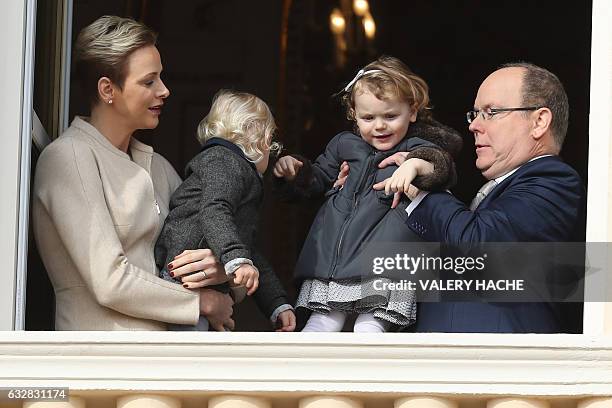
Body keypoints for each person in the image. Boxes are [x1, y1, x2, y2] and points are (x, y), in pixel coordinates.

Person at [32, 15, 234, 331]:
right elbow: (109, 280)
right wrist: (200, 302)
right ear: (107, 89)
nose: (165, 90)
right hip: (99, 363)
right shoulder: (68, 157)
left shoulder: (159, 167)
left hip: (164, 365)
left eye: (161, 78)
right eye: (148, 81)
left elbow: (219, 270)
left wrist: (221, 268)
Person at [374, 62, 585, 333]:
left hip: (502, 369)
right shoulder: (495, 193)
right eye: (475, 114)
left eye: (491, 112)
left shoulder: (554, 181)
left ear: (539, 122)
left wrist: (425, 185)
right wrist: (364, 176)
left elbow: (479, 248)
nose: (473, 125)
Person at [273, 56, 462, 332]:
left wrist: (414, 164)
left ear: (412, 111)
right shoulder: (343, 145)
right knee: (319, 326)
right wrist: (296, 172)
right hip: (334, 261)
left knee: (369, 329)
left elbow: (442, 166)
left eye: (390, 116)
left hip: (383, 262)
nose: (379, 126)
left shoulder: (416, 146)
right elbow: (318, 179)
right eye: (368, 117)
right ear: (353, 115)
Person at [155, 90, 296, 332]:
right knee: (188, 361)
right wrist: (236, 260)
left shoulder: (232, 168)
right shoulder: (223, 161)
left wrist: (277, 303)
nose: (271, 154)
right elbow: (215, 209)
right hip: (184, 280)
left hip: (200, 282)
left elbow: (248, 251)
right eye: (271, 144)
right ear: (258, 138)